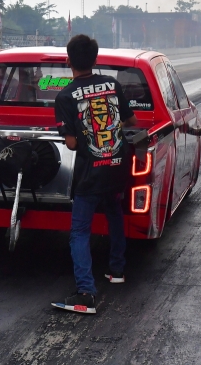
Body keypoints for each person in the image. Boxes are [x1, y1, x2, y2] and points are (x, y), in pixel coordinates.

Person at [51, 34, 137, 315]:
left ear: (68, 61)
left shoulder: (64, 96)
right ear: (96, 59)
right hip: (118, 165)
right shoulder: (112, 85)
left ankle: (86, 294)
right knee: (114, 212)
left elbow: (73, 143)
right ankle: (117, 270)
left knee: (79, 231)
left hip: (90, 174)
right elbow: (129, 120)